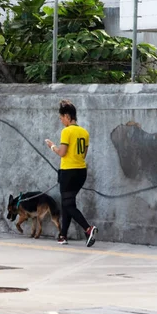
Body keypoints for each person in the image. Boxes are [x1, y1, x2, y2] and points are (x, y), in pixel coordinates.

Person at [45, 100, 98, 247]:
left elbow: (62, 152)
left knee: (68, 204)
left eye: (61, 118)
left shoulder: (66, 131)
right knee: (67, 202)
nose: (61, 121)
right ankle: (63, 235)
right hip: (81, 172)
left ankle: (88, 229)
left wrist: (52, 146)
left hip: (68, 172)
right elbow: (84, 154)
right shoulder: (84, 132)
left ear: (67, 116)